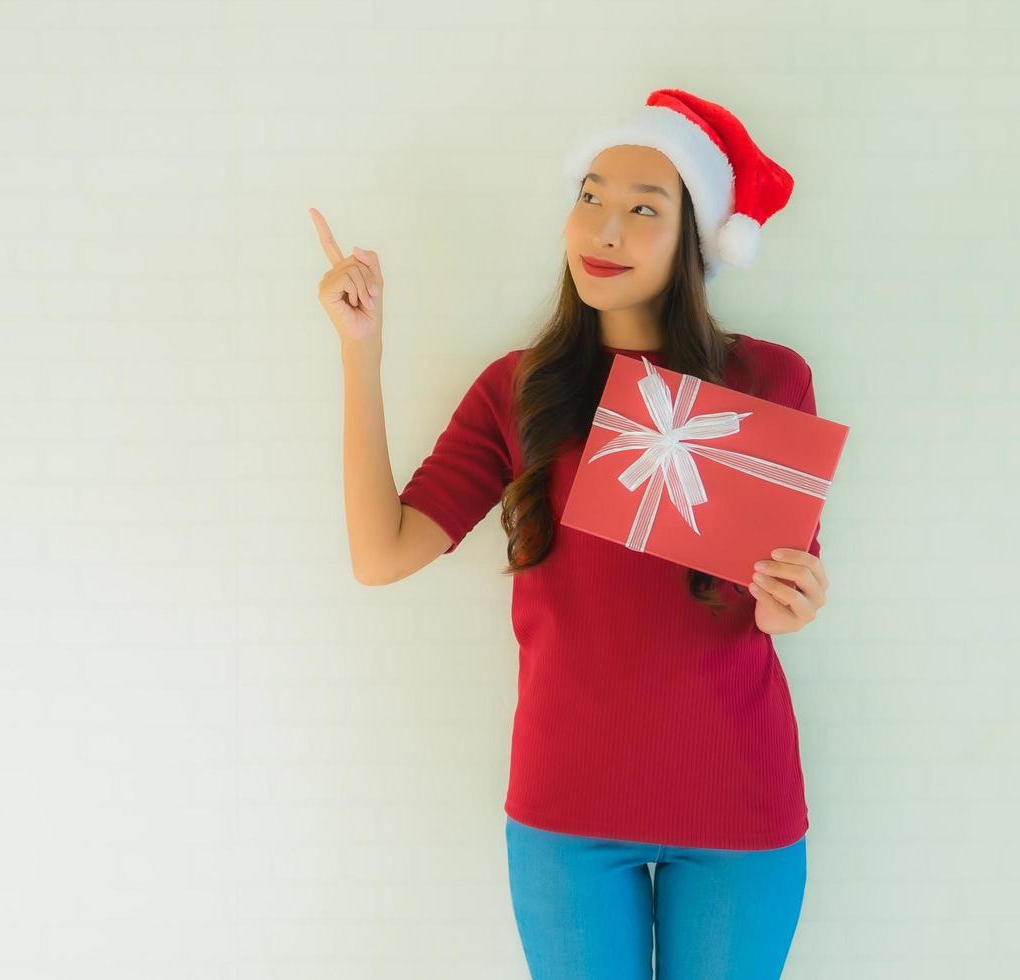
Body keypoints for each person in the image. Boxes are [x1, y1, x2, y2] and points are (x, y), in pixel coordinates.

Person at [312, 87, 829, 980]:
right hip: (566, 808)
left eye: (643, 209)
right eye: (590, 196)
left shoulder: (768, 378)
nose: (606, 230)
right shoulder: (521, 389)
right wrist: (360, 348)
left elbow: (788, 578)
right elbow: (381, 551)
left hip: (740, 799)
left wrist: (795, 604)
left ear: (694, 241)